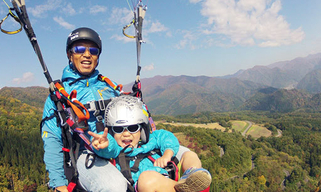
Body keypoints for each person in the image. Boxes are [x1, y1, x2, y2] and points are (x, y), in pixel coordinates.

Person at [41, 27, 206, 192]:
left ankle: (192, 179)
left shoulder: (108, 86)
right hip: (89, 152)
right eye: (79, 49)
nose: (86, 54)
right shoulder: (60, 96)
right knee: (114, 187)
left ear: (98, 56)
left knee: (184, 153)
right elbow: (52, 140)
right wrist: (59, 184)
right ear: (70, 54)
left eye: (93, 50)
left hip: (121, 144)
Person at [89, 96, 212, 192]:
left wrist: (167, 155)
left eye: (132, 128)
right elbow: (109, 149)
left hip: (169, 177)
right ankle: (194, 189)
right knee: (147, 179)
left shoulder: (149, 141)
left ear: (142, 130)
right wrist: (104, 144)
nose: (126, 134)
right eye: (118, 129)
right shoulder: (117, 150)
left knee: (189, 155)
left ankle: (193, 174)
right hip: (148, 186)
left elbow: (166, 137)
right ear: (111, 132)